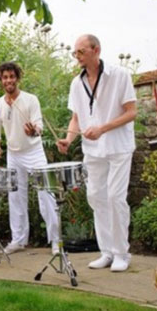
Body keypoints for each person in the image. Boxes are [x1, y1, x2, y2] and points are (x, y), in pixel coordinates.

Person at [57, 34, 137, 272]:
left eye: (81, 52)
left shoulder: (120, 75)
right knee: (95, 197)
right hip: (92, 150)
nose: (77, 57)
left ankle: (122, 253)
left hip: (119, 147)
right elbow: (76, 118)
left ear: (96, 50)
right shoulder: (75, 83)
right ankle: (107, 252)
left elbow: (131, 112)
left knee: (115, 197)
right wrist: (69, 139)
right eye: (75, 52)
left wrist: (102, 128)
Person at [0, 62, 59, 255]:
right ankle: (18, 240)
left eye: (12, 76)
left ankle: (55, 241)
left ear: (17, 78)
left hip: (34, 152)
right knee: (15, 197)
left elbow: (38, 126)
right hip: (13, 154)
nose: (8, 80)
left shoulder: (30, 100)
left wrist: (33, 130)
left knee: (46, 194)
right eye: (5, 77)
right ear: (1, 80)